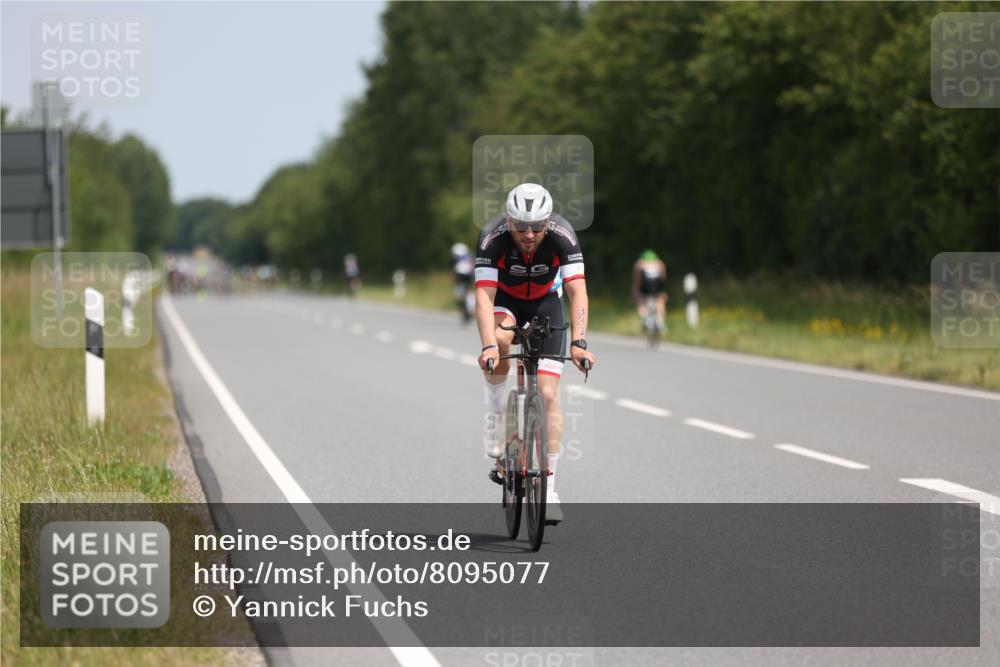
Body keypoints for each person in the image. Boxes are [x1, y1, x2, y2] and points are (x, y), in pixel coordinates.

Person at [475, 183, 596, 524]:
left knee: (547, 393)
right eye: (520, 226)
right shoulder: (492, 237)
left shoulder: (562, 234)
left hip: (546, 303)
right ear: (508, 220)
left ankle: (551, 487)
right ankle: (497, 419)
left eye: (537, 226)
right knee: (499, 342)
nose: (529, 234)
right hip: (506, 302)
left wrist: (580, 342)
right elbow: (484, 296)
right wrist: (487, 346)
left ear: (547, 222)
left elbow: (578, 291)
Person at [632, 249, 667, 332]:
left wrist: (636, 291)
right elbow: (663, 277)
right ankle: (661, 322)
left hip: (645, 282)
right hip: (657, 282)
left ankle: (645, 318)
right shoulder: (659, 263)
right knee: (660, 300)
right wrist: (662, 291)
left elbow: (637, 279)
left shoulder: (639, 263)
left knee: (640, 300)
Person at [451, 242, 475, 323]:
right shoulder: (469, 255)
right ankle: (469, 310)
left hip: (462, 276)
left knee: (462, 293)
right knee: (467, 292)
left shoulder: (457, 258)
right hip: (469, 275)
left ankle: (466, 309)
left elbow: (455, 270)